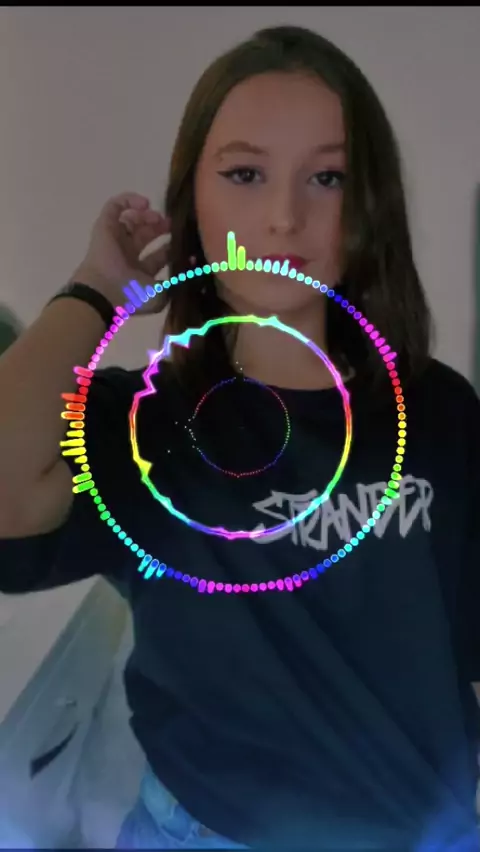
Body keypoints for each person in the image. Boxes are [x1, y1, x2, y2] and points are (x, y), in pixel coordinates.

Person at [0, 23, 479, 851]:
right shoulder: (148, 422)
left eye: (327, 177)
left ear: (369, 204)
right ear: (194, 198)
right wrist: (98, 286)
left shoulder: (438, 409)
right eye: (245, 174)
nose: (285, 218)